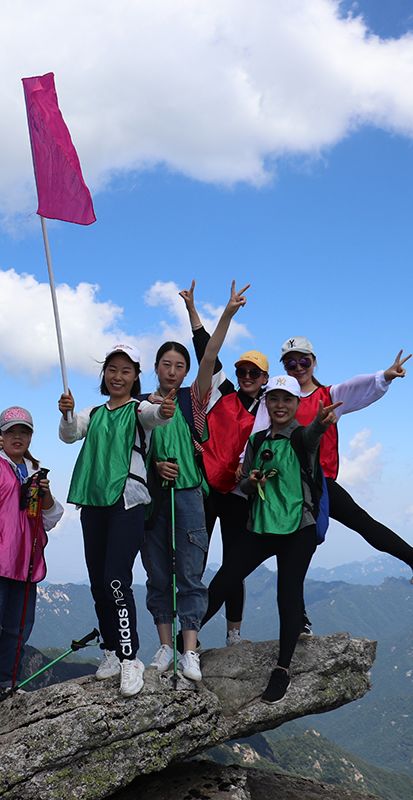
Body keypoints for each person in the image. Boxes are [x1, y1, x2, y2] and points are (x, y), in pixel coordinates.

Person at [257, 337, 413, 588]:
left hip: (319, 481)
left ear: (314, 362)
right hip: (286, 486)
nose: (298, 367)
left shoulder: (329, 395)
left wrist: (385, 375)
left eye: (303, 361)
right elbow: (260, 436)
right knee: (307, 543)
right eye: (290, 363)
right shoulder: (277, 399)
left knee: (349, 524)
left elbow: (355, 385)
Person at [202, 375, 341, 704]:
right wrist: (251, 481)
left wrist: (321, 423)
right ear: (267, 403)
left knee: (287, 597)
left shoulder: (301, 437)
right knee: (222, 582)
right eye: (274, 400)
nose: (280, 406)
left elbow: (312, 434)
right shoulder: (258, 440)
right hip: (262, 527)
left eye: (287, 400)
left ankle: (282, 670)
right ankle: (183, 643)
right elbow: (247, 487)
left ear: (296, 405)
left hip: (298, 530)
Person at [142, 281, 247, 683]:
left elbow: (212, 354)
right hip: (154, 496)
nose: (172, 370)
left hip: (189, 494)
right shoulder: (141, 406)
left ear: (186, 372)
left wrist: (224, 315)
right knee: (157, 573)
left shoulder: (195, 398)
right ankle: (165, 645)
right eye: (166, 364)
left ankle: (189, 650)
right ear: (156, 368)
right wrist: (154, 470)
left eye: (179, 366)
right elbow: (133, 454)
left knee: (189, 571)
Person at [58, 344, 175, 697]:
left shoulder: (139, 410)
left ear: (136, 376)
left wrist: (165, 409)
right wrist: (66, 414)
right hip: (93, 502)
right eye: (112, 369)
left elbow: (157, 416)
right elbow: (68, 434)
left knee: (115, 580)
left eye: (126, 371)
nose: (118, 376)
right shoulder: (93, 413)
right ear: (104, 375)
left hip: (126, 503)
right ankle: (110, 650)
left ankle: (129, 658)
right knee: (97, 582)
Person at [181, 280, 268, 645]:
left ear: (264, 378)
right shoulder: (224, 393)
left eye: (254, 373)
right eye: (242, 372)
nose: (246, 377)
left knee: (234, 564)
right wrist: (197, 312)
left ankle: (234, 633)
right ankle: (189, 636)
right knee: (195, 564)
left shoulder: (270, 409)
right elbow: (207, 351)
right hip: (206, 488)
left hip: (238, 494)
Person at [0, 407, 63, 703]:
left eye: (23, 431)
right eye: (10, 431)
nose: (17, 437)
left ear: (31, 436)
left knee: (18, 629)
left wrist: (45, 492)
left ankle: (10, 682)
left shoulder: (35, 471)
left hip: (25, 564)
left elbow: (49, 518)